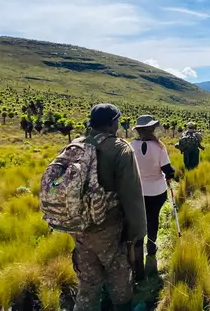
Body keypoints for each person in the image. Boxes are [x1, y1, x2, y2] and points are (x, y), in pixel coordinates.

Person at [73, 104, 146, 311]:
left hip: (78, 225)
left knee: (88, 279)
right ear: (112, 122)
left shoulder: (77, 143)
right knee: (119, 274)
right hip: (108, 226)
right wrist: (138, 233)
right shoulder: (120, 149)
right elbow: (131, 196)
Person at [129, 115, 176, 280]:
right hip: (157, 191)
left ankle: (138, 246)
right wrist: (171, 175)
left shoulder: (130, 146)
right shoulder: (159, 147)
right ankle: (152, 244)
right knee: (153, 217)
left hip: (137, 191)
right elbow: (167, 169)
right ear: (152, 129)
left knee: (140, 218)